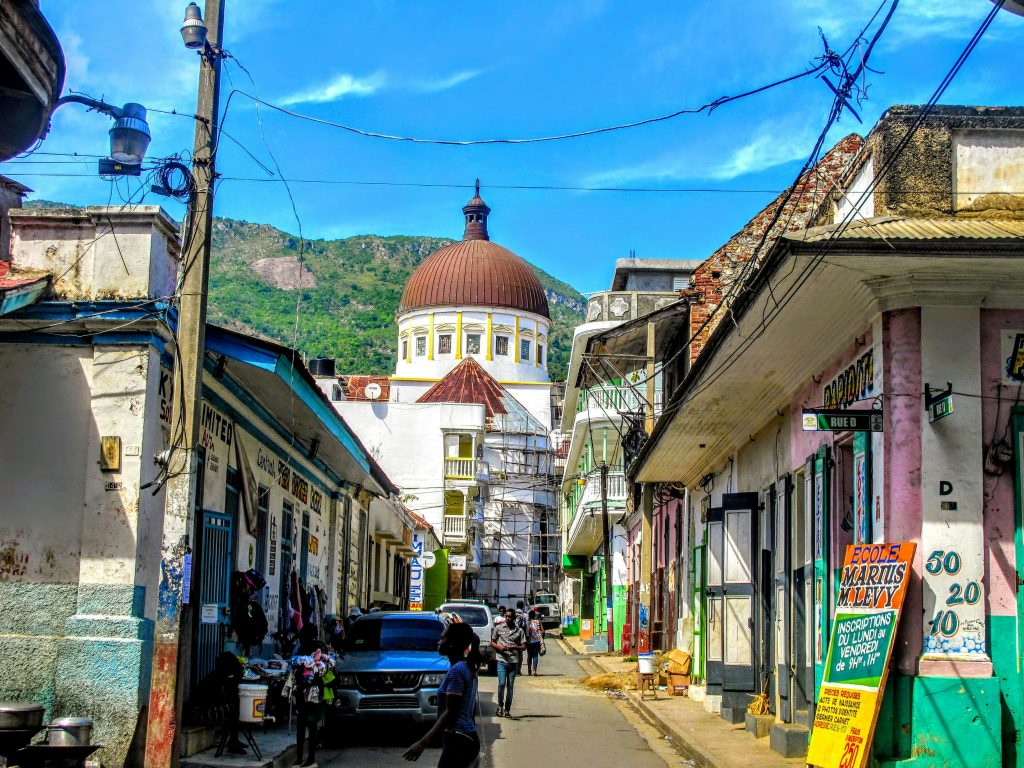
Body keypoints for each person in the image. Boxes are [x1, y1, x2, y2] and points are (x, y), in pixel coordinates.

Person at [404, 622, 482, 768]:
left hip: (459, 740)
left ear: (451, 643)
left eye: (442, 638)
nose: (438, 642)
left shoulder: (457, 670)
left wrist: (423, 743)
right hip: (466, 737)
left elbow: (451, 712)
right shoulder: (466, 667)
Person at [292, 623, 330, 768]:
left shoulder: (305, 648)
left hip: (306, 689)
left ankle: (303, 758)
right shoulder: (318, 647)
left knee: (303, 724)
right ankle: (308, 758)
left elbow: (297, 665)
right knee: (310, 723)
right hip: (314, 690)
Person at [490, 606, 525, 717]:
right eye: (506, 616)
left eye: (510, 617)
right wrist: (499, 647)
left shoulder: (519, 631)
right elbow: (492, 642)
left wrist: (515, 647)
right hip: (501, 660)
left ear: (514, 618)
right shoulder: (499, 628)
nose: (507, 618)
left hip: (513, 662)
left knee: (510, 686)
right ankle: (500, 705)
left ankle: (507, 709)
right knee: (501, 684)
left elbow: (524, 646)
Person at [525, 610, 545, 676]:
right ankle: (534, 670)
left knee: (529, 656)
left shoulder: (527, 622)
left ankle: (529, 670)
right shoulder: (538, 622)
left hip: (529, 642)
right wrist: (539, 636)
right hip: (536, 641)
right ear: (534, 615)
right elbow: (543, 631)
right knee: (535, 656)